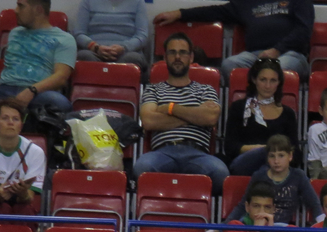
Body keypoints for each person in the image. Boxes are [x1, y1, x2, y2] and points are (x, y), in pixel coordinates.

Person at [0, 0, 74, 126]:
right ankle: (2, 128)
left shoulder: (63, 39)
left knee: (60, 104)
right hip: (5, 92)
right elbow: (11, 67)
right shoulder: (15, 33)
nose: (16, 10)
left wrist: (31, 91)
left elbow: (61, 77)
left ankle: (10, 126)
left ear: (38, 10)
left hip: (39, 94)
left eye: (21, 6)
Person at [133, 32, 227, 193]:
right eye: (172, 52)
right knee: (142, 167)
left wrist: (170, 108)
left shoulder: (206, 90)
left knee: (220, 173)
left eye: (183, 52)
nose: (177, 57)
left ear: (191, 57)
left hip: (198, 153)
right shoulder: (153, 90)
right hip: (162, 152)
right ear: (165, 57)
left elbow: (210, 117)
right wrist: (195, 116)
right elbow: (149, 121)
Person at [152, 0, 312, 80]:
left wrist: (276, 50)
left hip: (289, 55)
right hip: (255, 56)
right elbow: (215, 12)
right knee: (229, 65)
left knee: (277, 69)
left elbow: (304, 31)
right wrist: (179, 14)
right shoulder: (246, 2)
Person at [224, 57, 299, 176]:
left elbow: (295, 153)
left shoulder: (288, 114)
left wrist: (272, 154)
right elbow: (230, 147)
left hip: (277, 165)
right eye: (263, 80)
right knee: (269, 155)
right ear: (254, 80)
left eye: (273, 80)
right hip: (244, 164)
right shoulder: (238, 108)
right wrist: (263, 150)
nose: (267, 86)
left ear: (279, 82)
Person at [226, 134, 320, 225]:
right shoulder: (259, 176)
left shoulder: (298, 176)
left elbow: (314, 204)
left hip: (280, 227)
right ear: (267, 157)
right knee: (236, 226)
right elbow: (243, 205)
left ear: (290, 156)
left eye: (281, 155)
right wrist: (223, 227)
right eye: (272, 156)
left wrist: (321, 225)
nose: (276, 161)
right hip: (255, 224)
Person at [218, 181, 303, 232]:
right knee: (234, 226)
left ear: (273, 209)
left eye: (267, 207)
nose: (262, 212)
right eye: (256, 206)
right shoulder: (236, 230)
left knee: (292, 231)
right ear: (247, 207)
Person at [72, 0, 148, 69]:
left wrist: (124, 48)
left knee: (133, 58)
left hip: (126, 53)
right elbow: (79, 33)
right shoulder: (87, 2)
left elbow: (142, 35)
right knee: (84, 56)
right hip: (94, 52)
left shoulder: (138, 2)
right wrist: (95, 47)